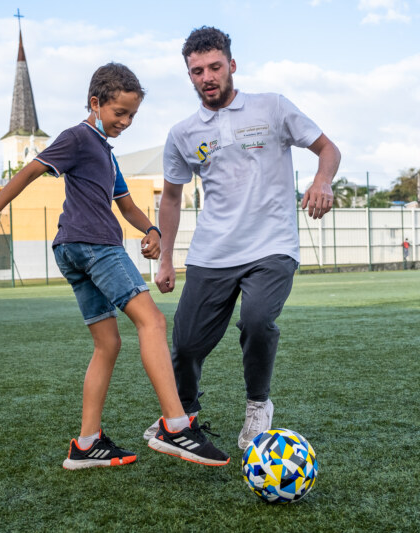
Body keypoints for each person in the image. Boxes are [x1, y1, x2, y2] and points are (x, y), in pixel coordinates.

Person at [0, 63, 229, 469]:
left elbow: (126, 205)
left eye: (132, 115)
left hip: (71, 250)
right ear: (95, 103)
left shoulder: (105, 152)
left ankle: (86, 444)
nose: (126, 121)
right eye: (120, 112)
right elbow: (29, 171)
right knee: (152, 322)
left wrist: (152, 228)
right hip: (93, 246)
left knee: (108, 343)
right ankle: (176, 426)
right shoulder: (78, 137)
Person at [146, 27, 341, 450]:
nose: (207, 77)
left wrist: (322, 181)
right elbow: (172, 199)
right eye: (197, 71)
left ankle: (257, 405)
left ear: (231, 65)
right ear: (190, 75)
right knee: (186, 344)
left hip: (272, 246)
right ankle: (183, 415)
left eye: (215, 67)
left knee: (256, 320)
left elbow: (328, 149)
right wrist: (166, 259)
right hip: (212, 252)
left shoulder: (272, 107)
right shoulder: (182, 133)